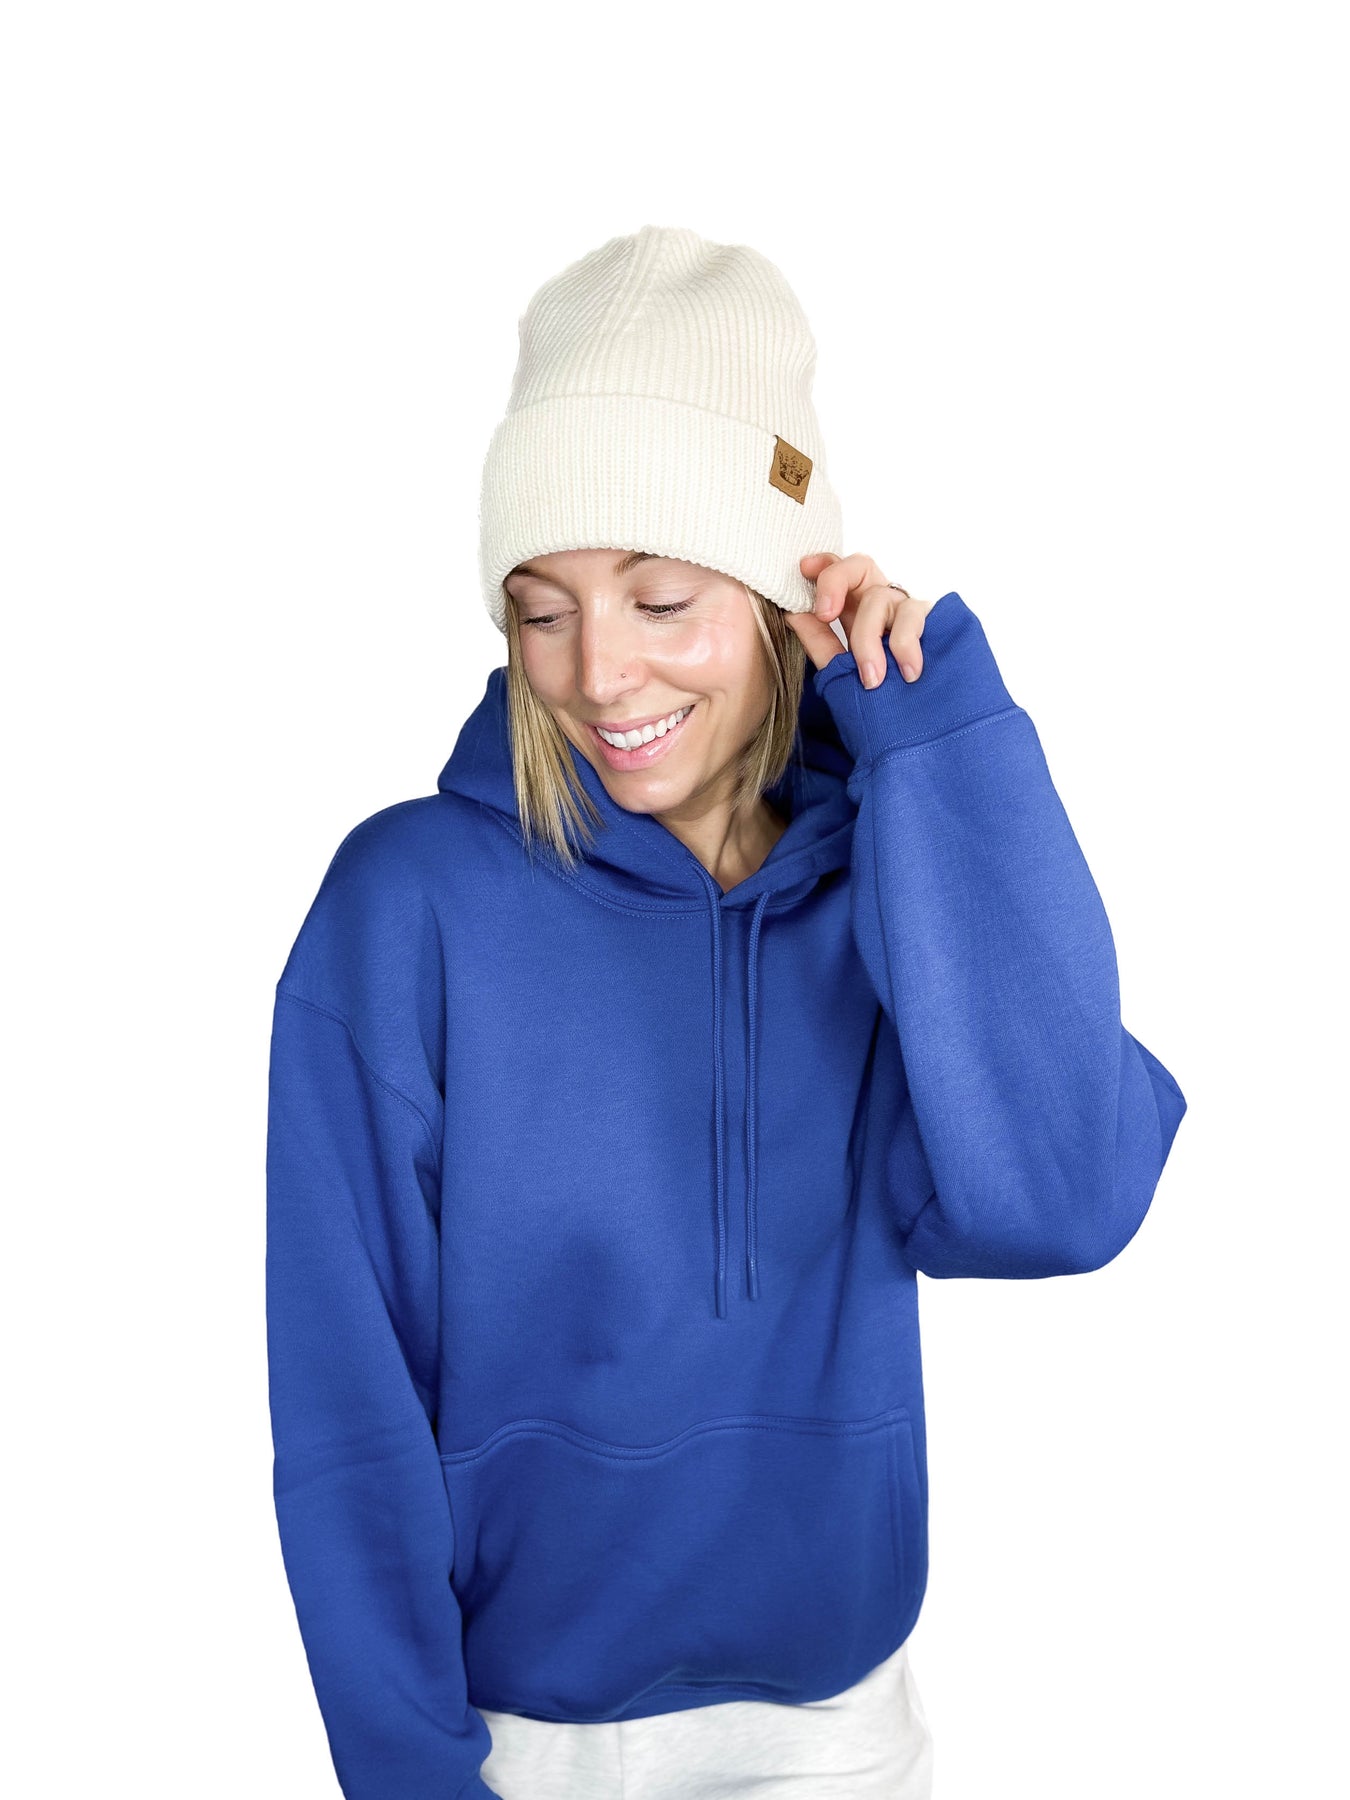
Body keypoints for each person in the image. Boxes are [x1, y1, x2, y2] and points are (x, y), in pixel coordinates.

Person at [264, 224, 1188, 1800]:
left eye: (660, 597)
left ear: (778, 598)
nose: (596, 674)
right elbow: (348, 1392)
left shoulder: (884, 881)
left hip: (838, 1727)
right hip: (524, 1741)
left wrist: (934, 740)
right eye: (540, 609)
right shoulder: (406, 907)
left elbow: (1060, 1201)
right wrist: (409, 1771)